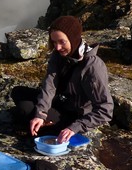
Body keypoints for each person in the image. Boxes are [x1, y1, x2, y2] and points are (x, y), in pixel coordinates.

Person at [11, 15, 114, 143]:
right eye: (54, 42)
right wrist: (40, 114)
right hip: (58, 103)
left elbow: (105, 110)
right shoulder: (58, 56)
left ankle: (49, 129)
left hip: (74, 115)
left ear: (73, 39)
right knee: (18, 92)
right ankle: (43, 124)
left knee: (24, 108)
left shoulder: (93, 66)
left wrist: (74, 127)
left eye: (62, 42)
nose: (57, 47)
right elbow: (49, 86)